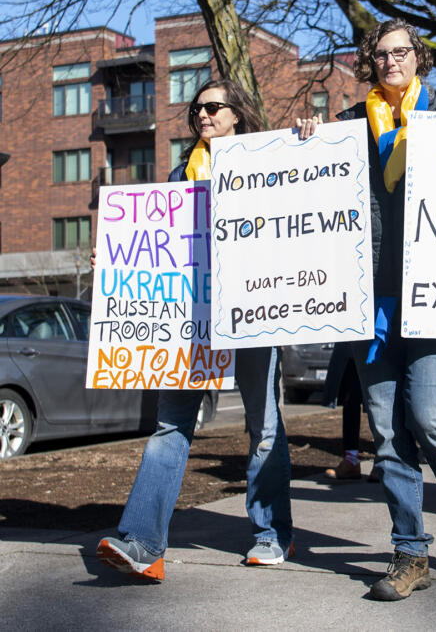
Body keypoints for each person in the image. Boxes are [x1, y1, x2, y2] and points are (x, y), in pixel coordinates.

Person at [297, 18, 436, 601]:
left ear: (419, 58)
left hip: (435, 294)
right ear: (369, 63)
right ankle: (410, 554)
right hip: (367, 299)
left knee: (432, 416)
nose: (390, 62)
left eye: (400, 52)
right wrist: (305, 139)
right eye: (380, 54)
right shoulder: (347, 126)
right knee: (387, 435)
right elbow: (310, 186)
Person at [97, 79, 293, 580]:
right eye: (196, 108)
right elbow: (155, 240)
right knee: (171, 422)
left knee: (263, 426)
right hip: (191, 318)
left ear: (238, 114)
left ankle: (271, 534)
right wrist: (116, 255)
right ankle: (143, 544)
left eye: (213, 107)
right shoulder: (177, 175)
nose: (202, 114)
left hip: (251, 314)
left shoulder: (268, 164)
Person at [322, 342, 369, 482]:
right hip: (351, 343)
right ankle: (351, 459)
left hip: (379, 340)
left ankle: (382, 461)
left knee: (378, 401)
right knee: (350, 399)